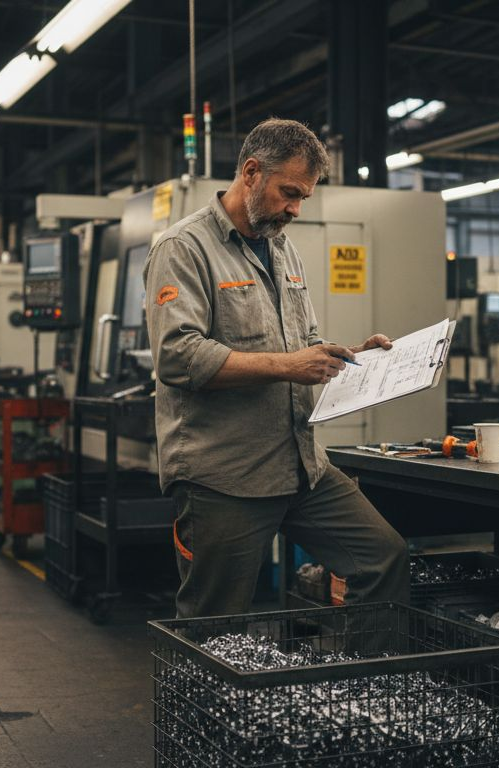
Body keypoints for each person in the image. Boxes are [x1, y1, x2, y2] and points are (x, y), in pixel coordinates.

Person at [144, 118, 410, 619]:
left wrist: (348, 355)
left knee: (383, 557)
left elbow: (302, 342)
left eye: (304, 197)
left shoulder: (283, 248)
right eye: (289, 192)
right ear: (250, 172)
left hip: (301, 467)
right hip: (226, 476)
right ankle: (204, 700)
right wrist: (290, 365)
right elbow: (178, 356)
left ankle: (363, 693)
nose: (295, 208)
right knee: (215, 620)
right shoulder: (183, 249)